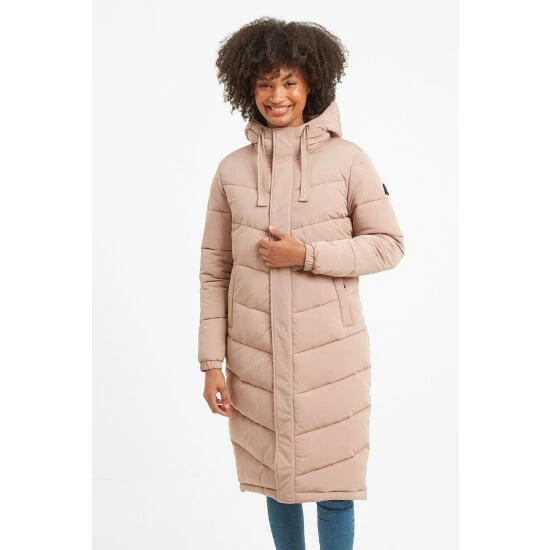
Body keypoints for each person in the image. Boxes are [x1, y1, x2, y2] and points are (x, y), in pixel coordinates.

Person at [198, 17, 405, 550]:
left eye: (289, 81)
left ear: (312, 83)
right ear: (247, 87)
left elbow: (388, 244)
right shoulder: (231, 171)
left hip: (331, 358)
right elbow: (215, 269)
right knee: (278, 486)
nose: (277, 96)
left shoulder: (349, 160)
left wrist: (307, 256)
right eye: (265, 83)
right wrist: (211, 362)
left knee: (334, 489)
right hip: (256, 356)